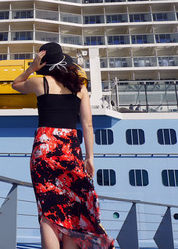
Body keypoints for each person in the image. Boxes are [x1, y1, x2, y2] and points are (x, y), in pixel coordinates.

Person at [12, 43, 114, 249]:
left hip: (44, 149)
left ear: (44, 63)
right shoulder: (80, 88)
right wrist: (89, 158)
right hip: (70, 150)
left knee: (49, 212)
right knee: (73, 209)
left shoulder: (40, 82)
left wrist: (32, 67)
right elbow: (87, 124)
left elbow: (16, 83)